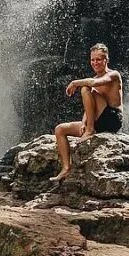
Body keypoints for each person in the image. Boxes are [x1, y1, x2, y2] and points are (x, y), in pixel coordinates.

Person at [50, 42, 123, 183]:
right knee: (60, 129)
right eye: (92, 60)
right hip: (96, 121)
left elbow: (94, 84)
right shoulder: (93, 79)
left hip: (112, 119)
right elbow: (89, 107)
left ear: (106, 60)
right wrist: (84, 122)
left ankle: (90, 130)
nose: (95, 62)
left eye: (99, 59)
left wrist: (75, 83)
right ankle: (66, 168)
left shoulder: (113, 75)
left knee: (85, 88)